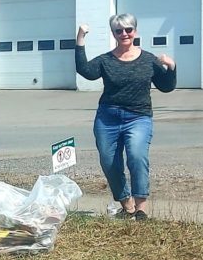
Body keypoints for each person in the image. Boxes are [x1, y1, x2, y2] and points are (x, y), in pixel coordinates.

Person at [75, 14, 176, 221]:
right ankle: (127, 205)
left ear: (135, 32)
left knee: (137, 156)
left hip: (138, 117)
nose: (124, 34)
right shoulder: (106, 60)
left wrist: (171, 67)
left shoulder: (148, 60)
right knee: (109, 161)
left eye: (128, 30)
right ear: (113, 34)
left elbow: (166, 87)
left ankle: (141, 209)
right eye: (119, 31)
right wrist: (80, 38)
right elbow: (85, 70)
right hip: (107, 118)